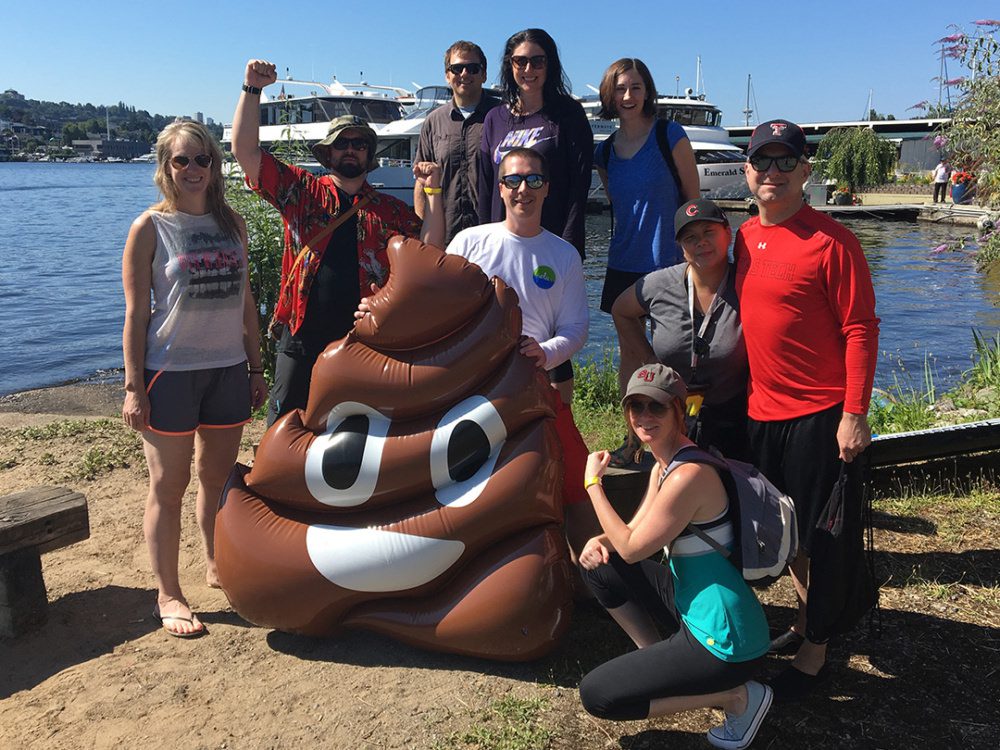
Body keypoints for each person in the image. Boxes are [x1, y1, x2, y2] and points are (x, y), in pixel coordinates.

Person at [363, 146, 595, 557]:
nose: (523, 189)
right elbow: (428, 300)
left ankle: (599, 573)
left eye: (533, 180)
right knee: (466, 485)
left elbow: (576, 329)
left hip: (534, 385)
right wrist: (377, 307)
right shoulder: (470, 241)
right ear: (501, 189)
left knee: (576, 478)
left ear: (547, 189)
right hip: (470, 389)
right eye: (513, 180)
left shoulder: (564, 254)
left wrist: (545, 352)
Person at [734, 119, 879, 701]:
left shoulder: (832, 241)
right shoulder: (741, 237)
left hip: (820, 416)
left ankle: (817, 651)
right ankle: (804, 617)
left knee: (824, 537)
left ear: (805, 171)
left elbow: (860, 328)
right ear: (748, 173)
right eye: (762, 162)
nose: (772, 173)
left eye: (784, 162)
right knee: (785, 534)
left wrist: (855, 411)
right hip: (759, 413)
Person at [232, 59, 443, 425]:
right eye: (342, 143)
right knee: (285, 426)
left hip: (363, 341)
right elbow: (245, 153)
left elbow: (429, 250)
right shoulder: (303, 192)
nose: (351, 149)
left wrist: (434, 192)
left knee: (352, 433)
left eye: (359, 144)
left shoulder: (388, 210)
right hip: (301, 335)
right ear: (328, 153)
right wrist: (252, 89)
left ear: (368, 154)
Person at [121, 119, 268, 638]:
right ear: (166, 166)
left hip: (227, 369)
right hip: (170, 373)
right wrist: (134, 387)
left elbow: (246, 302)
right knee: (169, 484)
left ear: (214, 164)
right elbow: (137, 315)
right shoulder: (150, 228)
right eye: (181, 160)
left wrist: (255, 366)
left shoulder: (233, 225)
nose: (193, 169)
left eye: (202, 158)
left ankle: (213, 563)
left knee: (217, 478)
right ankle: (169, 593)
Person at [577, 364, 772, 750]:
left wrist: (592, 484)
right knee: (601, 568)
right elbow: (634, 535)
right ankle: (657, 658)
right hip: (691, 605)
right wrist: (599, 540)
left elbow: (633, 548)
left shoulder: (689, 475)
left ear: (680, 411)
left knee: (596, 695)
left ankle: (738, 698)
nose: (644, 418)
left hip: (728, 640)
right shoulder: (664, 465)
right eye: (636, 407)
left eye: (657, 408)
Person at [594, 59, 700, 465]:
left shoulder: (668, 135)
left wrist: (694, 259)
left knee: (675, 353)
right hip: (624, 260)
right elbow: (619, 204)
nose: (627, 96)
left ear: (647, 91)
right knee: (630, 356)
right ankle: (634, 441)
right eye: (619, 88)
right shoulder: (605, 152)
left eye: (636, 87)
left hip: (668, 261)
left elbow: (692, 202)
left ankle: (681, 436)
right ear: (609, 94)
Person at [612, 199, 749, 461]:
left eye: (709, 232)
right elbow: (621, 309)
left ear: (728, 233)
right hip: (672, 415)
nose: (701, 242)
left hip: (735, 416)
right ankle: (632, 440)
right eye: (690, 237)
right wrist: (647, 359)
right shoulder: (658, 285)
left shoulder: (746, 284)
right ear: (681, 246)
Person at [478, 28, 593, 260]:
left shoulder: (569, 114)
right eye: (520, 61)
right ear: (510, 66)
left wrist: (568, 247)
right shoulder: (494, 119)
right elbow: (485, 187)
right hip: (502, 247)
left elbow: (578, 187)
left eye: (537, 61)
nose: (528, 69)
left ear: (549, 65)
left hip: (552, 244)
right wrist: (484, 241)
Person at [413, 40, 500, 244]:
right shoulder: (433, 121)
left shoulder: (502, 117)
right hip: (446, 239)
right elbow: (421, 182)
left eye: (472, 68)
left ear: (484, 74)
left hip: (492, 238)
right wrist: (423, 230)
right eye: (457, 68)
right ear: (447, 75)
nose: (464, 74)